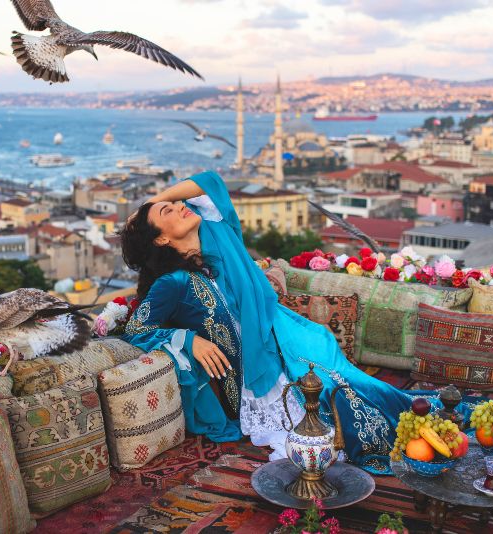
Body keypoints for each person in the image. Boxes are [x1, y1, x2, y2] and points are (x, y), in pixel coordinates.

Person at [120, 170, 427, 474]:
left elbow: (211, 180)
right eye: (168, 210)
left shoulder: (219, 235)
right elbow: (136, 330)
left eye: (176, 203)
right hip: (259, 377)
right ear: (160, 238)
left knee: (361, 392)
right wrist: (189, 340)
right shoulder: (172, 284)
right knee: (341, 404)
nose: (179, 205)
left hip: (286, 339)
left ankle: (416, 419)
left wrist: (152, 202)